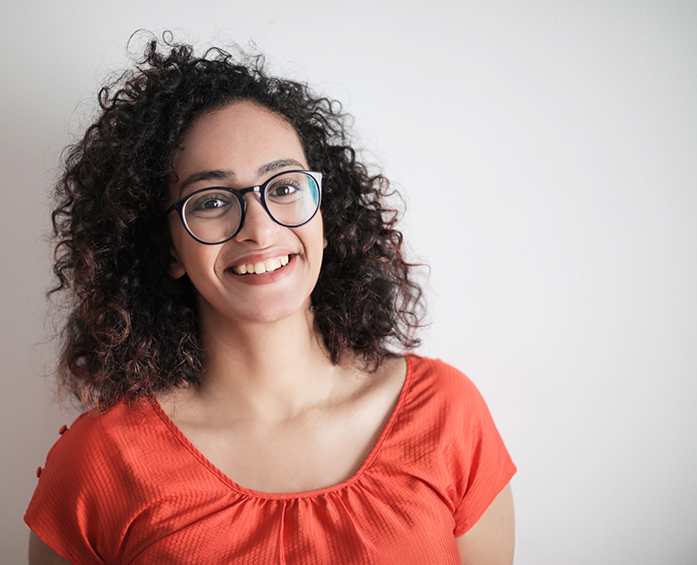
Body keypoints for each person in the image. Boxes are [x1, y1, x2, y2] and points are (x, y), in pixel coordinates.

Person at [26, 34, 516, 565]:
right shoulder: (99, 464)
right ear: (168, 247)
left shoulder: (446, 415)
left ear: (326, 220)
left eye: (283, 187)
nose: (259, 230)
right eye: (212, 200)